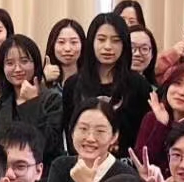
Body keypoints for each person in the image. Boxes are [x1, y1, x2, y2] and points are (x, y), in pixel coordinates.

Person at [61, 12, 151, 150]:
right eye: (101, 39)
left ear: (124, 44)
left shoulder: (139, 85)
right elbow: (69, 132)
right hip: (83, 159)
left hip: (125, 161)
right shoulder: (73, 85)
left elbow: (143, 134)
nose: (108, 46)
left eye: (115, 40)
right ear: (91, 41)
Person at [45, 101, 138, 182]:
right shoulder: (61, 166)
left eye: (100, 131)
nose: (90, 138)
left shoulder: (126, 176)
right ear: (72, 132)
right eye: (83, 129)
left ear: (114, 136)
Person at [0, 35, 62, 167]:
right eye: (10, 63)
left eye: (24, 61)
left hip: (43, 173)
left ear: (36, 64)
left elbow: (49, 146)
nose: (17, 69)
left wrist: (32, 103)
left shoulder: (52, 100)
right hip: (5, 173)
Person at [134, 60, 184, 173]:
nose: (182, 92)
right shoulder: (152, 118)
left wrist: (182, 127)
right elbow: (142, 163)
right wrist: (161, 125)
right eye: (177, 83)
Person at [44, 19, 85, 90]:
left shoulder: (91, 80)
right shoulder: (41, 80)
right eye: (61, 42)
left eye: (74, 42)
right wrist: (44, 79)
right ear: (52, 45)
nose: (67, 48)